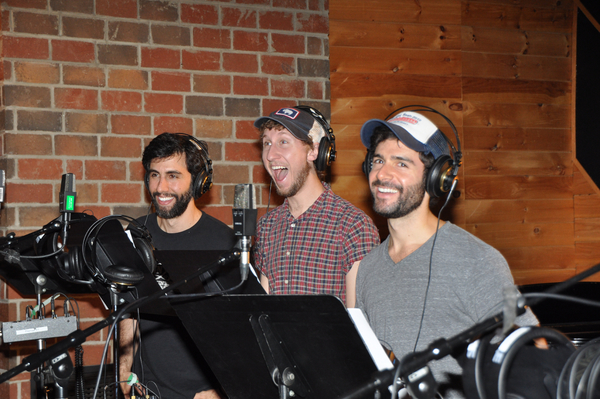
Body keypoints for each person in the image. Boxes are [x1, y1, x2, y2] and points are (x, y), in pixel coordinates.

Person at [350, 110, 538, 398]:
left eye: (401, 163)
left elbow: (533, 349)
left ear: (436, 177)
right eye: (377, 160)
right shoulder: (366, 269)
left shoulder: (478, 261)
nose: (382, 173)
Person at [119, 133, 236, 399]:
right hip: (146, 387)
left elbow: (236, 329)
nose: (160, 187)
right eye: (154, 175)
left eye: (173, 175)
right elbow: (128, 309)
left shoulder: (224, 241)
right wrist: (124, 369)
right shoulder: (137, 233)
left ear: (197, 181)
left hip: (201, 393)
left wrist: (220, 390)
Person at [253, 106, 380, 305]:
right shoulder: (267, 225)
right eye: (267, 143)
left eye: (283, 142)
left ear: (314, 151)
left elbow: (359, 320)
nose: (270, 155)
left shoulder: (353, 226)